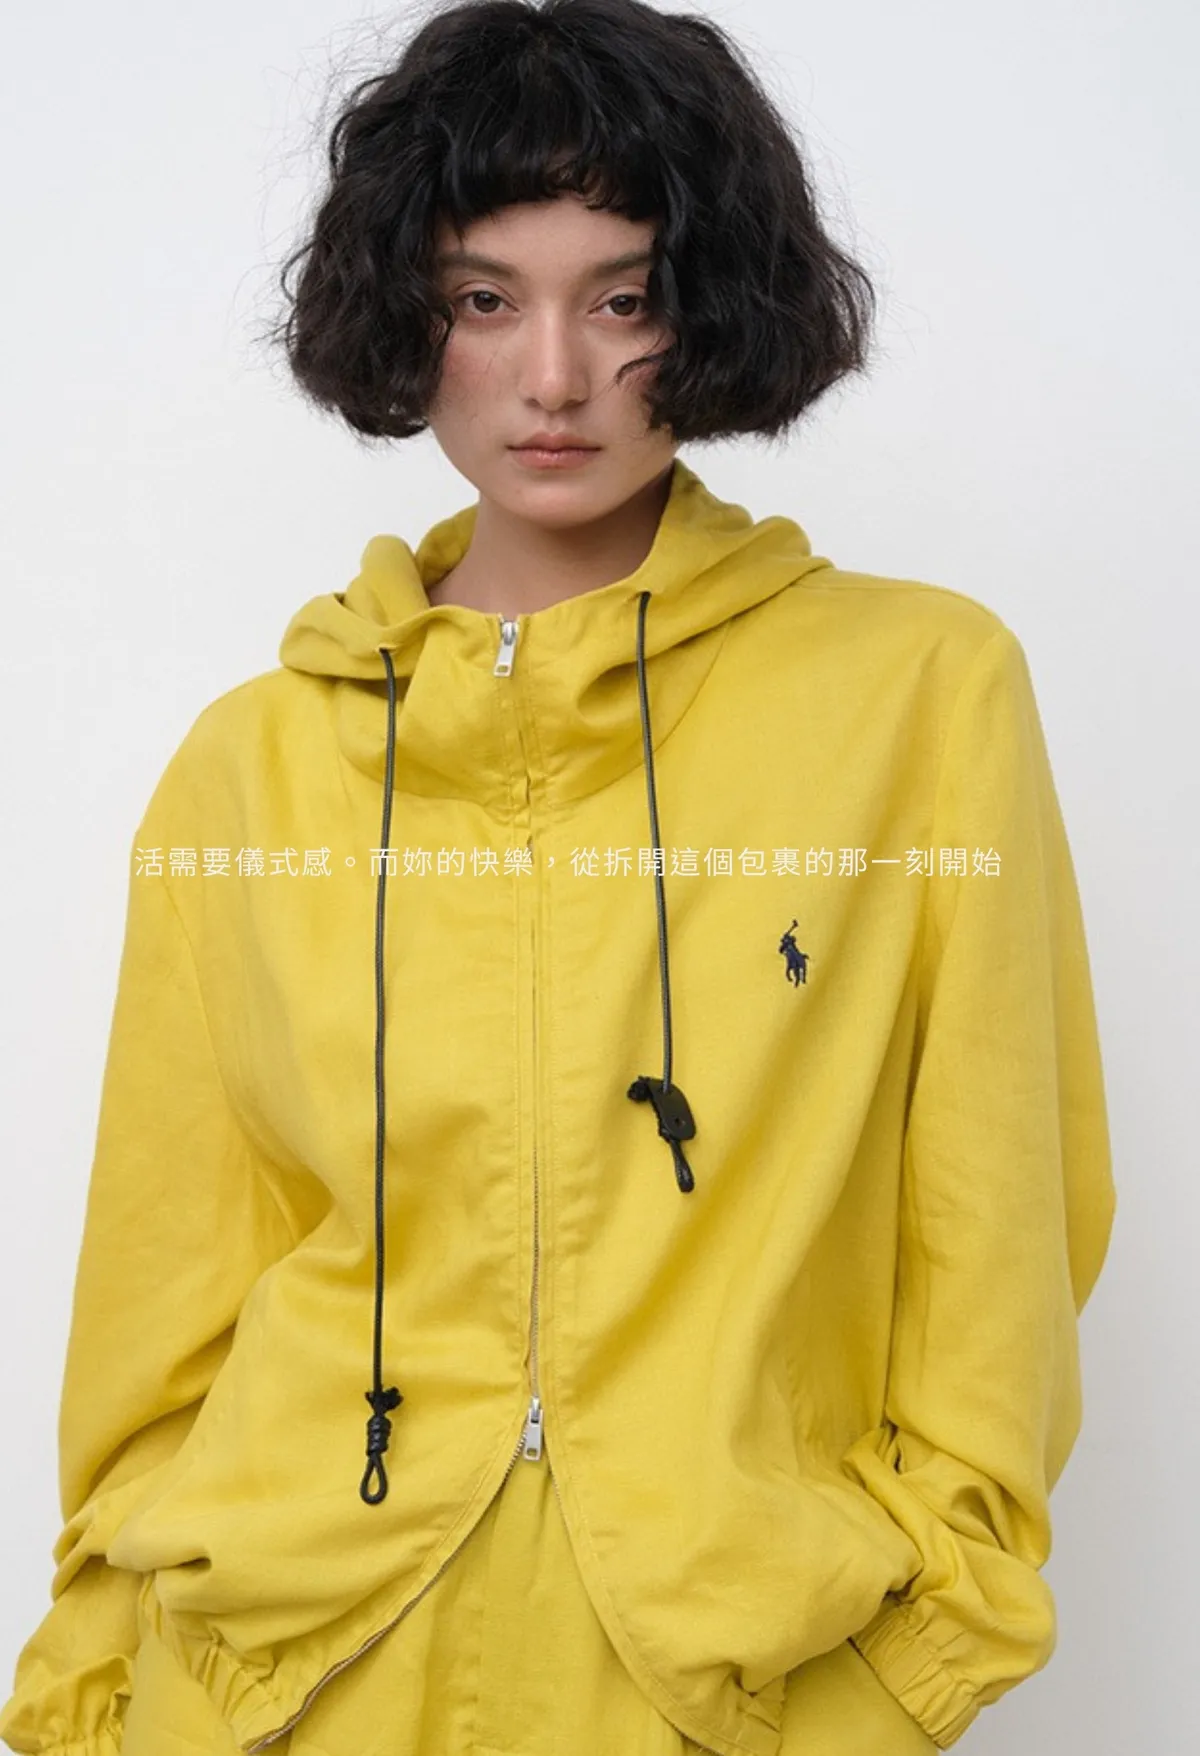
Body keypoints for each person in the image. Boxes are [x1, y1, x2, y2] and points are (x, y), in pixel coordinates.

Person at [0, 1, 1117, 1753]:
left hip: (716, 1684)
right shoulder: (255, 763)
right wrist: (93, 1684)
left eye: (624, 298)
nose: (551, 379)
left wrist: (910, 1675)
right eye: (482, 299)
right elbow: (165, 1294)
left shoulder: (921, 695)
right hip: (275, 1685)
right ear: (405, 312)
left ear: (714, 304)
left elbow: (1004, 1225)